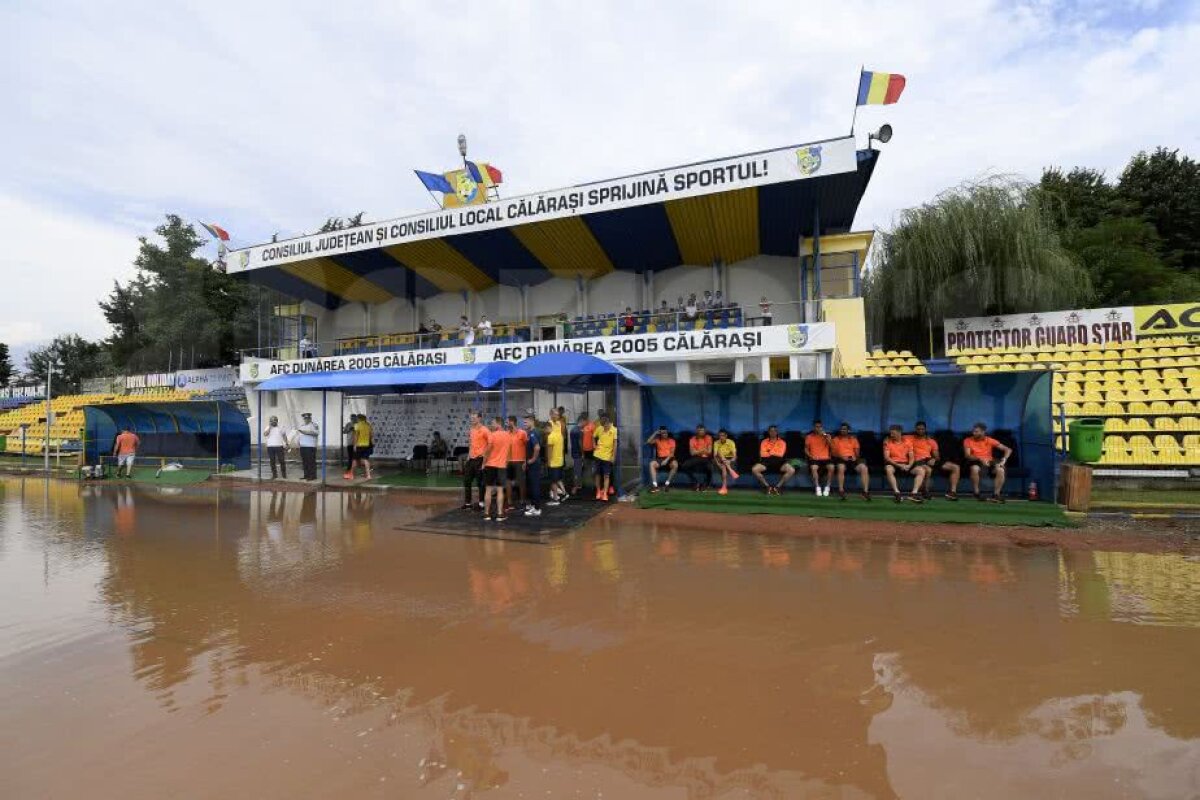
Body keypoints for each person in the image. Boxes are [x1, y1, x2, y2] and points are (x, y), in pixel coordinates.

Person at [909, 421, 960, 500]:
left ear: (925, 430)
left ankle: (952, 493)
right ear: (915, 429)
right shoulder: (909, 439)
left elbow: (937, 456)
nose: (920, 431)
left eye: (922, 429)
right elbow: (897, 437)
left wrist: (934, 459)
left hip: (929, 461)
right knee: (927, 469)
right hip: (917, 462)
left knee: (955, 467)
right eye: (918, 429)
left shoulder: (931, 441)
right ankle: (924, 491)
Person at [963, 423, 1012, 503]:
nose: (973, 433)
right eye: (973, 431)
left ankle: (996, 495)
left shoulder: (989, 440)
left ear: (983, 432)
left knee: (1001, 470)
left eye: (976, 431)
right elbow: (967, 455)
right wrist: (980, 459)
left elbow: (1008, 450)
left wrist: (1004, 459)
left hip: (989, 461)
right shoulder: (968, 440)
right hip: (975, 460)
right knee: (974, 468)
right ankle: (977, 492)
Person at [883, 424, 925, 503]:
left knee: (921, 470)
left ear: (899, 433)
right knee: (888, 468)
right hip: (894, 464)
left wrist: (909, 465)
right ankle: (897, 493)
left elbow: (912, 457)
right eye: (891, 433)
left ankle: (914, 494)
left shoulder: (907, 442)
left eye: (893, 433)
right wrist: (899, 465)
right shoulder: (887, 442)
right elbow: (887, 458)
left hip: (906, 464)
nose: (891, 435)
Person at [831, 422, 870, 501]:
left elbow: (857, 453)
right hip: (840, 459)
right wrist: (842, 457)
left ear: (848, 430)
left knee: (864, 468)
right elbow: (833, 453)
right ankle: (841, 491)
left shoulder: (853, 439)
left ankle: (865, 492)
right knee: (841, 467)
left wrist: (854, 457)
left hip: (852, 460)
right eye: (841, 429)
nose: (843, 430)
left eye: (845, 429)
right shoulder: (835, 439)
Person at [482, 417, 511, 522]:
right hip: (501, 466)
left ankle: (486, 514)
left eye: (493, 423)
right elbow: (508, 452)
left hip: (490, 465)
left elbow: (488, 451)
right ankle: (499, 514)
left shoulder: (492, 435)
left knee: (488, 489)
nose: (491, 425)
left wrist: (483, 463)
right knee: (499, 490)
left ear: (499, 423)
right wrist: (506, 461)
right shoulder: (508, 435)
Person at [753, 425, 794, 494]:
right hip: (766, 462)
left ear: (777, 432)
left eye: (774, 431)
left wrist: (769, 451)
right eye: (771, 431)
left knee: (791, 470)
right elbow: (763, 454)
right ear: (768, 432)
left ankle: (777, 487)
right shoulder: (764, 442)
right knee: (754, 469)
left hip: (779, 462)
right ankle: (767, 487)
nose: (773, 432)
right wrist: (774, 452)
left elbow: (780, 454)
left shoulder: (782, 442)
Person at [462, 411, 489, 510]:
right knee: (467, 480)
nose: (472, 419)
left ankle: (482, 503)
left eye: (474, 418)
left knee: (480, 482)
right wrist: (468, 456)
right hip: (471, 459)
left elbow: (490, 444)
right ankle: (468, 503)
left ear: (479, 418)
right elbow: (471, 444)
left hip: (480, 459)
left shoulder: (485, 430)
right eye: (471, 418)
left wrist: (485, 459)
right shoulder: (471, 429)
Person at [592, 412, 618, 501]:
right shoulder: (599, 428)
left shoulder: (614, 430)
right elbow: (593, 436)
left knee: (606, 475)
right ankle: (598, 491)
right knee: (597, 474)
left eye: (606, 426)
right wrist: (594, 445)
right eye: (603, 426)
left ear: (609, 423)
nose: (604, 428)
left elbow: (615, 444)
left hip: (607, 457)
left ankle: (605, 493)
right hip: (598, 455)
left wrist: (613, 456)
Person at [804, 420, 834, 496]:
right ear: (814, 427)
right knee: (814, 468)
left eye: (820, 427)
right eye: (816, 427)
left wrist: (827, 438)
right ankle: (817, 487)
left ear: (822, 427)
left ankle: (827, 487)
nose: (818, 428)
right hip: (814, 458)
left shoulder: (827, 436)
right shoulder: (809, 437)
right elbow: (806, 449)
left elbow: (832, 447)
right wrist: (811, 456)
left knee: (831, 467)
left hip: (826, 458)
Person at [682, 424, 714, 491]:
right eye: (699, 430)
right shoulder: (692, 439)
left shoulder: (708, 438)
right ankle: (695, 482)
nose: (701, 432)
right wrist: (702, 450)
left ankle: (706, 484)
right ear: (697, 431)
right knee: (685, 465)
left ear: (705, 431)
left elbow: (709, 452)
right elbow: (692, 453)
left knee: (710, 468)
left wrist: (697, 451)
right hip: (696, 458)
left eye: (702, 430)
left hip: (706, 458)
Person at [505, 416, 528, 512]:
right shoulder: (506, 434)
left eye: (507, 422)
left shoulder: (522, 433)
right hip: (508, 462)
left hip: (520, 461)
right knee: (508, 482)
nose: (506, 423)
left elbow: (528, 448)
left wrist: (525, 461)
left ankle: (522, 501)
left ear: (512, 422)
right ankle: (509, 502)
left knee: (521, 482)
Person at [545, 410, 568, 505]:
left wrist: (549, 461)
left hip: (556, 458)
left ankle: (555, 498)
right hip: (556, 457)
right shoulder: (550, 425)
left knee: (554, 479)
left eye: (558, 415)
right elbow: (548, 444)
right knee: (556, 478)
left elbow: (550, 444)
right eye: (556, 415)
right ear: (551, 415)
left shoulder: (559, 424)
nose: (558, 416)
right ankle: (562, 493)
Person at [646, 426, 678, 493]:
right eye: (663, 433)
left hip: (669, 457)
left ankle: (667, 484)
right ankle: (655, 486)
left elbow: (672, 453)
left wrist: (666, 460)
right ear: (660, 434)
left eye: (666, 433)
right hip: (660, 458)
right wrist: (655, 433)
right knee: (651, 464)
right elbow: (648, 441)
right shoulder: (657, 440)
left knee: (675, 465)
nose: (665, 434)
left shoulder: (672, 440)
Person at [522, 415, 543, 517]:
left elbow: (537, 448)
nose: (524, 424)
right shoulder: (530, 433)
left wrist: (532, 460)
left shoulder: (534, 433)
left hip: (534, 465)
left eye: (526, 422)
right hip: (531, 464)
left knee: (535, 486)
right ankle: (533, 505)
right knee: (531, 485)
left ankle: (537, 508)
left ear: (531, 422)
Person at [572, 412, 594, 495]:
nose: (586, 424)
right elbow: (580, 443)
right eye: (586, 422)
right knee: (578, 471)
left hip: (575, 453)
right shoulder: (579, 431)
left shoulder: (574, 429)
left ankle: (579, 485)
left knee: (578, 470)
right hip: (579, 454)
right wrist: (583, 453)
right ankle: (576, 487)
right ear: (582, 420)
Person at [346, 414, 373, 481]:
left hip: (359, 445)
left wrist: (355, 445)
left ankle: (351, 475)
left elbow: (356, 436)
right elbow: (371, 435)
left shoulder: (357, 425)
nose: (356, 419)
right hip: (367, 445)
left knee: (354, 460)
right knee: (366, 460)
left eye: (357, 418)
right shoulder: (368, 425)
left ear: (359, 419)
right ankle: (368, 475)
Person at [713, 428, 739, 495]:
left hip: (730, 459)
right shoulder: (716, 443)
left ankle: (724, 488)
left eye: (722, 436)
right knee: (719, 454)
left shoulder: (731, 442)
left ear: (726, 436)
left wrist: (730, 461)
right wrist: (718, 464)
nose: (721, 437)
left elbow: (734, 455)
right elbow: (715, 455)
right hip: (720, 459)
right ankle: (730, 471)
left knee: (724, 463)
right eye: (720, 436)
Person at [263, 415, 289, 479]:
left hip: (279, 446)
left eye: (274, 421)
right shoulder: (268, 427)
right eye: (272, 421)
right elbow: (265, 434)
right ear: (270, 421)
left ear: (277, 421)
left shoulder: (281, 427)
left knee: (282, 461)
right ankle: (274, 475)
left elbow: (284, 436)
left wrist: (287, 443)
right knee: (272, 461)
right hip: (270, 447)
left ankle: (284, 474)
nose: (273, 422)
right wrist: (269, 427)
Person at [296, 412, 320, 481]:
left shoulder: (314, 425)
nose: (306, 419)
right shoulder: (301, 425)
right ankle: (306, 475)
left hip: (310, 446)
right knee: (305, 462)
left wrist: (306, 432)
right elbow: (299, 435)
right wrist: (298, 443)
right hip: (303, 446)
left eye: (308, 418)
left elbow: (316, 433)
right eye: (305, 418)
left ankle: (312, 476)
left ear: (310, 418)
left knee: (311, 462)